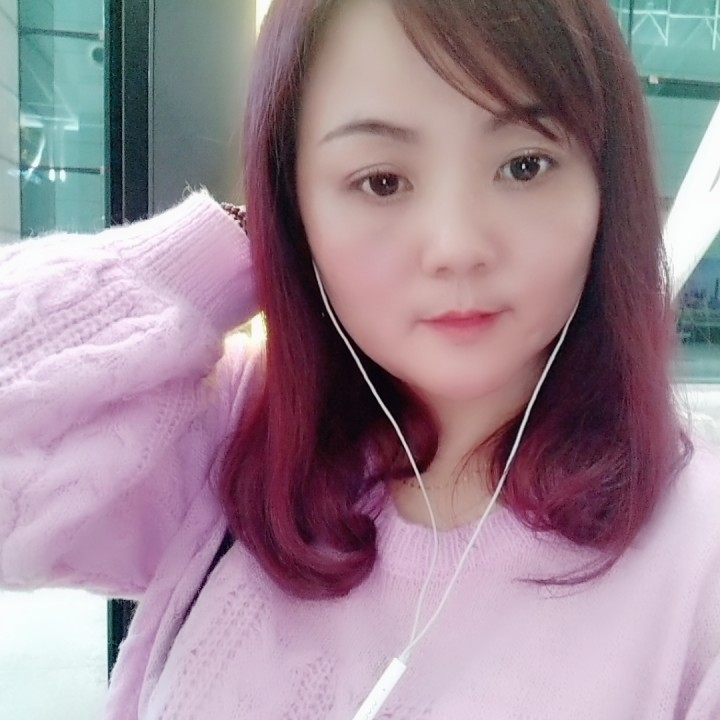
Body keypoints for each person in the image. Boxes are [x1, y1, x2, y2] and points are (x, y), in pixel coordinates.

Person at [1, 0, 719, 717]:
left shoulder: (698, 559)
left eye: (524, 166)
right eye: (381, 181)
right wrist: (230, 249)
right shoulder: (236, 443)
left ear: (606, 187)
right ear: (297, 202)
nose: (456, 246)